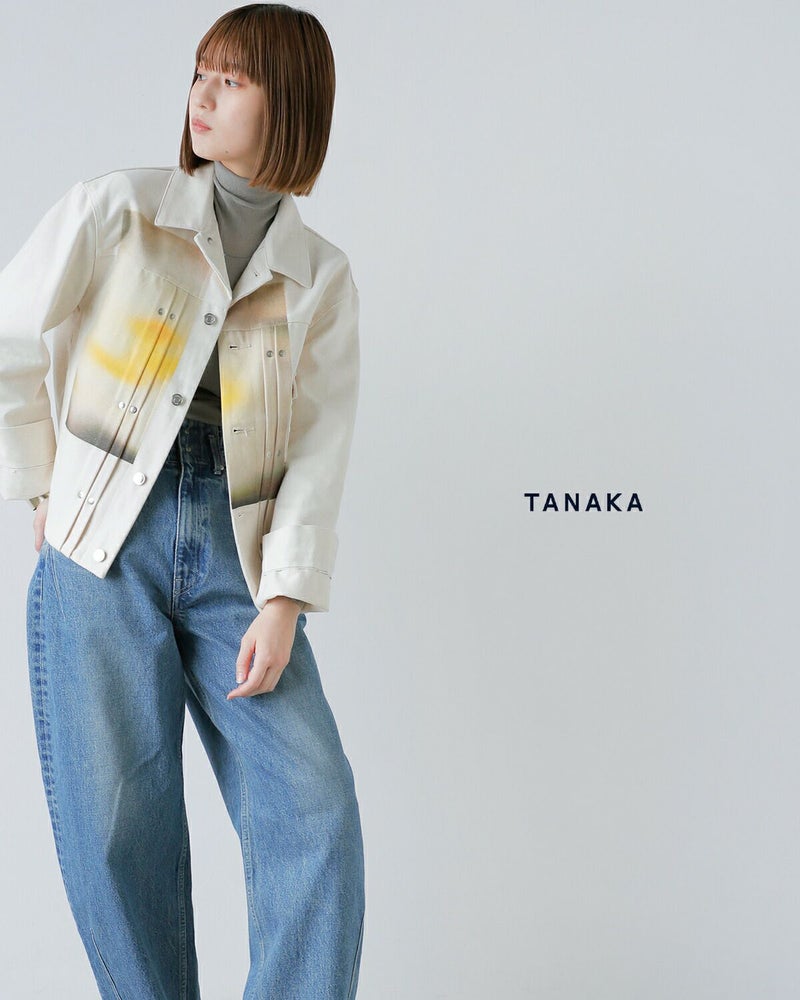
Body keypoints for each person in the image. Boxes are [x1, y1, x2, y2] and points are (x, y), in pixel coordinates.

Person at [0, 4, 365, 997]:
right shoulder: (122, 209)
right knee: (120, 827)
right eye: (200, 72)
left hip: (240, 552)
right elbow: (11, 339)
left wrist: (283, 598)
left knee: (314, 810)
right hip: (101, 544)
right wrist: (43, 485)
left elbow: (317, 446)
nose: (202, 95)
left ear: (290, 103)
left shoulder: (320, 279)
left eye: (232, 79)